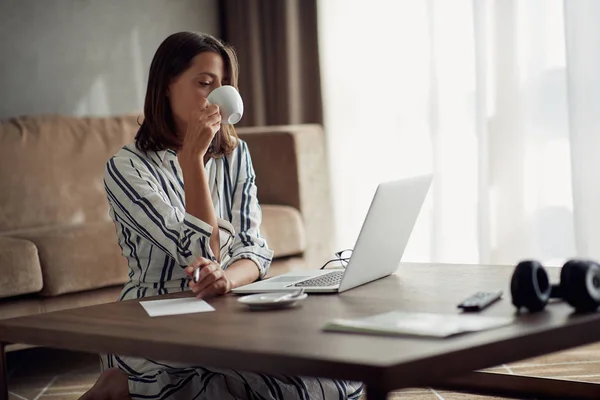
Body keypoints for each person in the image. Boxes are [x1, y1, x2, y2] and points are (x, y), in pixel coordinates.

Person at [79, 31, 364, 400]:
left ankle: (128, 390)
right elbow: (198, 254)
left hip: (224, 314)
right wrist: (192, 161)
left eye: (225, 85)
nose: (217, 96)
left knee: (340, 384)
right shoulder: (126, 168)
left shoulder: (236, 153)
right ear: (167, 85)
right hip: (156, 318)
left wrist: (226, 280)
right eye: (205, 84)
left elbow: (254, 249)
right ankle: (127, 383)